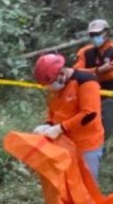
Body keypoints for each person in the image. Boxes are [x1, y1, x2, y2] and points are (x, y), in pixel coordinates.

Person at [33, 54, 105, 182]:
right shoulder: (58, 86)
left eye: (51, 83)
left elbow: (89, 114)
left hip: (86, 144)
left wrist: (60, 128)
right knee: (66, 184)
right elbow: (53, 109)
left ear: (61, 73)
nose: (50, 87)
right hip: (64, 142)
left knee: (86, 185)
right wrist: (49, 124)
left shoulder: (86, 81)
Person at [74, 19, 113, 139]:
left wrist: (88, 73)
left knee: (106, 121)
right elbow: (76, 71)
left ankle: (104, 146)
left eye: (97, 34)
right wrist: (99, 70)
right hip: (88, 91)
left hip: (111, 91)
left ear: (106, 33)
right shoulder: (85, 52)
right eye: (92, 35)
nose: (94, 37)